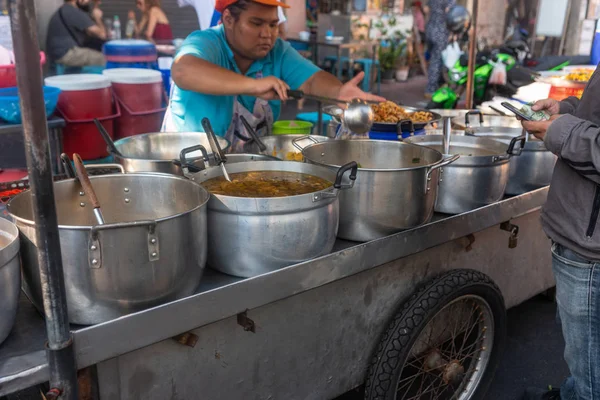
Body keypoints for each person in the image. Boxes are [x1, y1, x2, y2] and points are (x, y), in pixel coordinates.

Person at [167, 0, 384, 151]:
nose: (267, 34)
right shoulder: (206, 42)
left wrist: (338, 91)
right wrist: (253, 85)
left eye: (272, 24)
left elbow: (312, 79)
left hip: (243, 175)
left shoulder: (278, 51)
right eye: (256, 23)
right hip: (188, 168)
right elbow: (183, 70)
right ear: (228, 19)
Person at [520, 70, 600, 400]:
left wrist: (561, 132)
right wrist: (567, 110)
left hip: (591, 248)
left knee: (591, 373)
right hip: (582, 232)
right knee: (583, 357)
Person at [46, 0, 107, 67]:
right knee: (103, 58)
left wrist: (95, 6)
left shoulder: (66, 9)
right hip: (66, 53)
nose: (88, 1)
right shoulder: (72, 11)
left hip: (58, 52)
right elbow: (102, 34)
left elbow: (89, 32)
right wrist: (97, 18)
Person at [425, 0, 454, 96]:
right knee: (437, 61)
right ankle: (431, 89)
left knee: (433, 59)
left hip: (430, 29)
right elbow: (449, 12)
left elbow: (427, 10)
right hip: (441, 31)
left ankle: (436, 85)